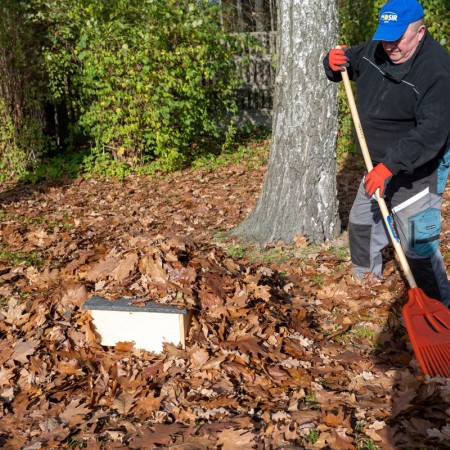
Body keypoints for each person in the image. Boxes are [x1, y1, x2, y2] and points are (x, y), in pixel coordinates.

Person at [323, 0, 450, 306]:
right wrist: (330, 63)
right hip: (375, 162)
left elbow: (431, 133)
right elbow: (347, 62)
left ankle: (440, 308)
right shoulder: (378, 48)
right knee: (362, 224)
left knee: (417, 247)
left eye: (398, 39)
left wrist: (390, 166)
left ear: (420, 33)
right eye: (385, 37)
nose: (389, 46)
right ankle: (366, 280)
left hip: (419, 169)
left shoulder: (437, 70)